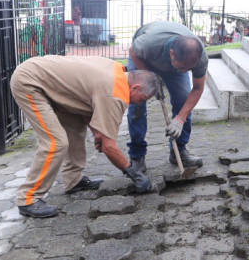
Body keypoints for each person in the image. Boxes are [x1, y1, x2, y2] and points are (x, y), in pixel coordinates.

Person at [10, 55, 159, 218]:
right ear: (136, 87)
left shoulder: (118, 71)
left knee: (75, 128)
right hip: (31, 82)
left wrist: (97, 131)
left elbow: (83, 101)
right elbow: (109, 146)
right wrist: (133, 173)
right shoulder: (115, 93)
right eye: (142, 99)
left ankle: (73, 180)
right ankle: (28, 198)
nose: (138, 104)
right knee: (55, 142)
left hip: (49, 81)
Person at [127, 21, 207, 172]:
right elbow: (133, 51)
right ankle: (137, 156)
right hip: (143, 58)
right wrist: (149, 78)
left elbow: (197, 89)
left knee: (183, 98)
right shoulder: (149, 44)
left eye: (188, 69)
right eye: (183, 67)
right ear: (171, 54)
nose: (185, 72)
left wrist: (180, 118)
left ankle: (179, 151)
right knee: (137, 103)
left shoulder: (199, 58)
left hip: (172, 64)